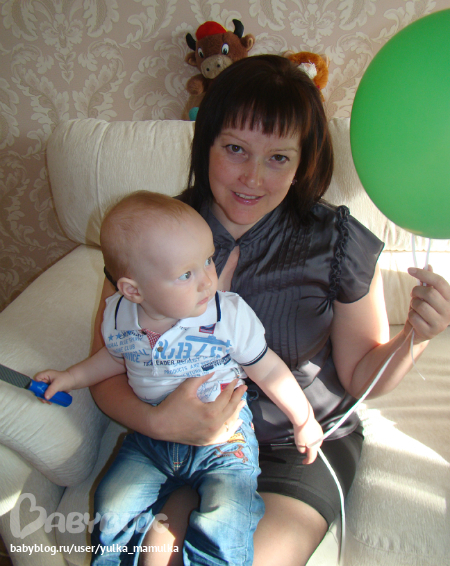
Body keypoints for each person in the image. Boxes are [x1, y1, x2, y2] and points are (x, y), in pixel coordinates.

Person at [88, 55, 450, 566]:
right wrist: (163, 423)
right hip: (180, 441)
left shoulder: (338, 242)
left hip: (297, 446)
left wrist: (417, 335)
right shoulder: (149, 236)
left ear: (303, 163)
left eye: (278, 157)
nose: (252, 178)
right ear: (205, 144)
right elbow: (105, 370)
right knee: (151, 558)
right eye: (235, 149)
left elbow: (361, 374)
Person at [36, 190, 323, 566]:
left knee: (227, 514)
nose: (207, 281)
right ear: (133, 291)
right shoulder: (119, 315)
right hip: (150, 440)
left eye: (208, 260)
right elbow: (113, 358)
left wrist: (303, 418)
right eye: (186, 274)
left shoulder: (226, 315)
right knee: (113, 505)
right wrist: (71, 377)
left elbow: (266, 367)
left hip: (224, 438)